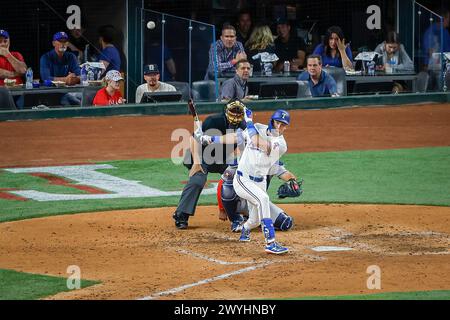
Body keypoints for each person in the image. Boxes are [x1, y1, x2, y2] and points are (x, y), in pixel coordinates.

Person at [195, 108, 292, 254]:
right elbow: (235, 137)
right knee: (264, 199)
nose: (279, 127)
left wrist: (249, 121)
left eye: (283, 125)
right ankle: (270, 242)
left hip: (260, 182)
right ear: (272, 121)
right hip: (242, 179)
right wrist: (207, 139)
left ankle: (245, 230)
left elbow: (258, 142)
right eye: (278, 122)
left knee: (255, 220)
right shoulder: (258, 128)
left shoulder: (280, 144)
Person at [172, 99, 246, 229]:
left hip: (221, 158)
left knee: (240, 178)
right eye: (233, 112)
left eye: (238, 113)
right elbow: (194, 139)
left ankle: (239, 212)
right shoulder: (214, 121)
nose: (235, 116)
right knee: (198, 180)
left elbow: (239, 145)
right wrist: (196, 162)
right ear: (226, 111)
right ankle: (181, 214)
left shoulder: (243, 125)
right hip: (200, 155)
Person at [217, 162, 297, 233]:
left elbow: (285, 173)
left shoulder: (271, 160)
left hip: (258, 200)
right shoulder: (243, 160)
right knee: (228, 192)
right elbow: (222, 184)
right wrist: (222, 209)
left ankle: (251, 218)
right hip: (241, 201)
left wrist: (292, 181)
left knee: (285, 223)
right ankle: (236, 220)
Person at [40, 31, 81, 106]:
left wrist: (73, 78)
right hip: (51, 93)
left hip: (67, 92)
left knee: (82, 97)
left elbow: (80, 75)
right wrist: (66, 79)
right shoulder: (46, 57)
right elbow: (45, 78)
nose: (63, 44)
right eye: (60, 41)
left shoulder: (71, 56)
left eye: (65, 42)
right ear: (53, 43)